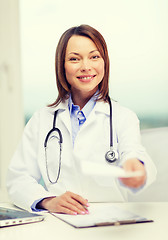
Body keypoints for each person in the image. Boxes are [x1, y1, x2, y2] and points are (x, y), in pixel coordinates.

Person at [7, 24, 156, 215]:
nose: (86, 66)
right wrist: (48, 201)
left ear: (104, 62)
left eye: (94, 57)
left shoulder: (123, 117)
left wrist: (136, 168)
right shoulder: (41, 119)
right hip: (58, 222)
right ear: (62, 66)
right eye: (74, 59)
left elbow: (133, 153)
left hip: (110, 223)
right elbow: (18, 178)